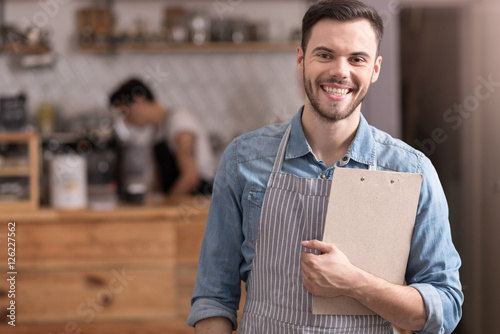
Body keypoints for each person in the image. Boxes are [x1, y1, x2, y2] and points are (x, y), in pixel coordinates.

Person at [188, 0, 463, 333]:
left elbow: (444, 310)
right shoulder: (242, 160)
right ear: (301, 59)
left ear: (375, 69)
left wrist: (354, 283)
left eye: (356, 59)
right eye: (325, 54)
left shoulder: (410, 171)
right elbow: (214, 298)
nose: (340, 71)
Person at [109, 78, 215, 195]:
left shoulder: (180, 122)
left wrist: (167, 204)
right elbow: (158, 180)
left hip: (196, 201)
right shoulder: (157, 132)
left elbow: (191, 178)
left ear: (139, 99)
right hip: (177, 204)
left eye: (125, 112)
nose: (126, 121)